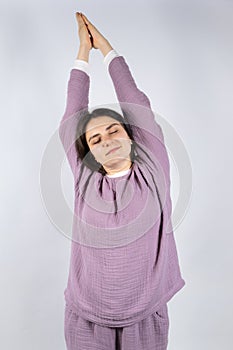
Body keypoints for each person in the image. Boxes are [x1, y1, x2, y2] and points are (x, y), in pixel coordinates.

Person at [59, 12, 185, 350]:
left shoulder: (152, 170)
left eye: (113, 130)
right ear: (89, 153)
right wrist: (81, 54)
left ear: (132, 137)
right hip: (88, 317)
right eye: (95, 139)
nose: (106, 140)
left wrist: (106, 50)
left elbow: (137, 103)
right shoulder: (86, 181)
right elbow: (72, 115)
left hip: (145, 317)